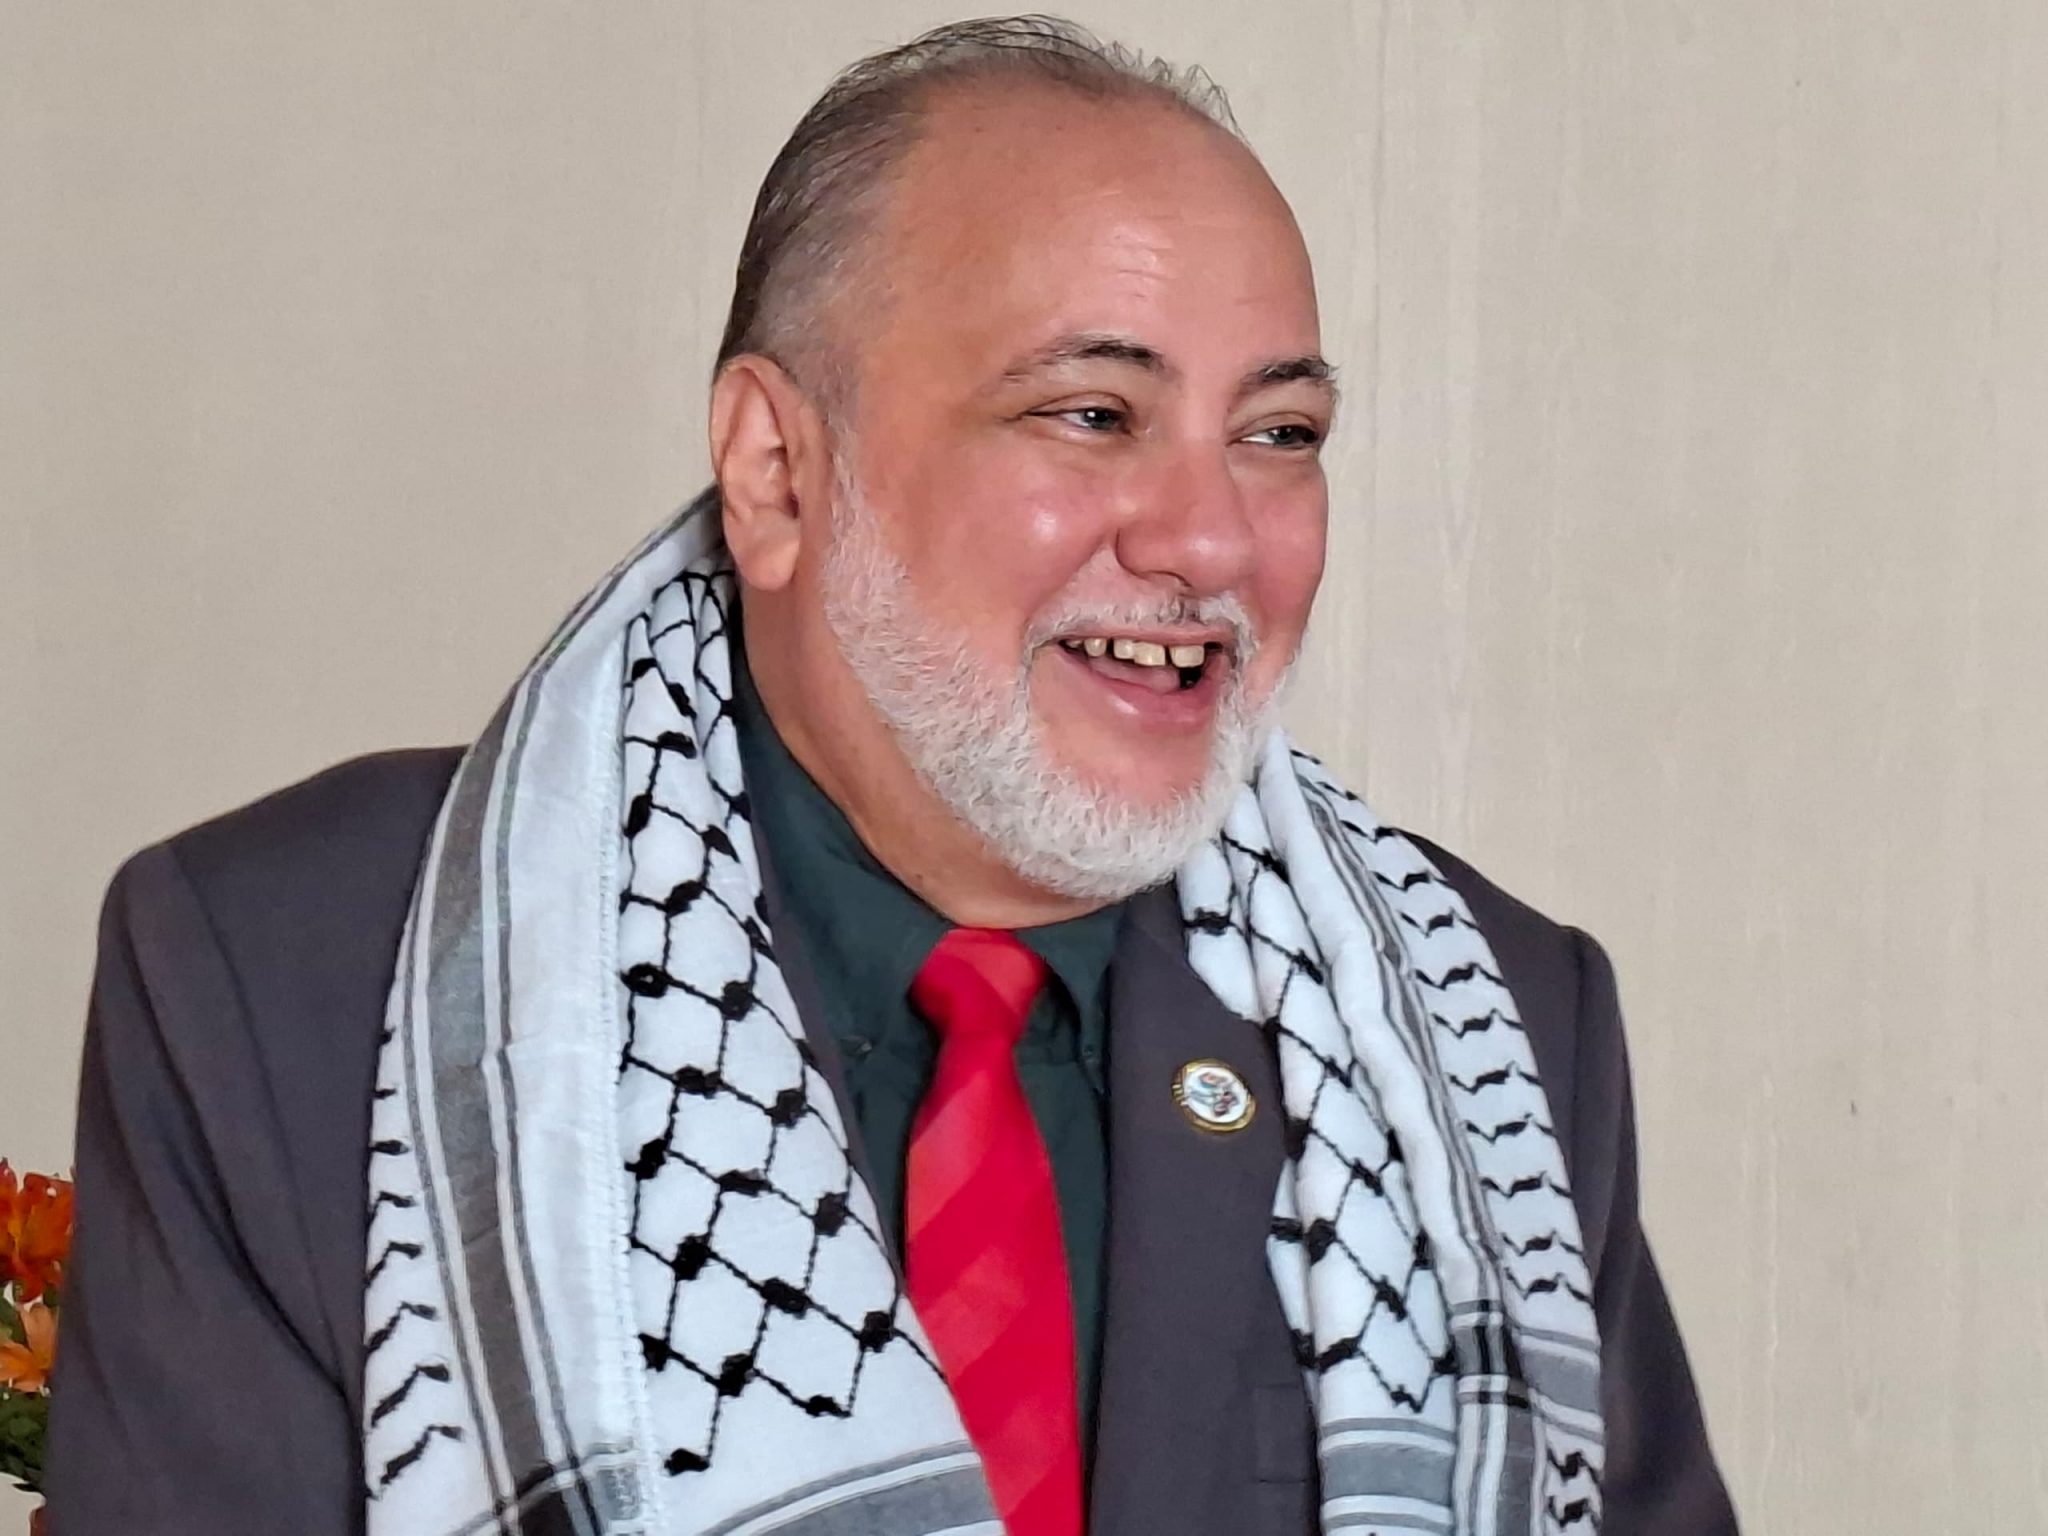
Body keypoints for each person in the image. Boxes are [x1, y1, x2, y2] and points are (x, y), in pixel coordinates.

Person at [46, 16, 1737, 1536]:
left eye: (1278, 434)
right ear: (778, 467)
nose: (1213, 539)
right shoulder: (293, 980)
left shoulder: (1492, 1027)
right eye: (1091, 414)